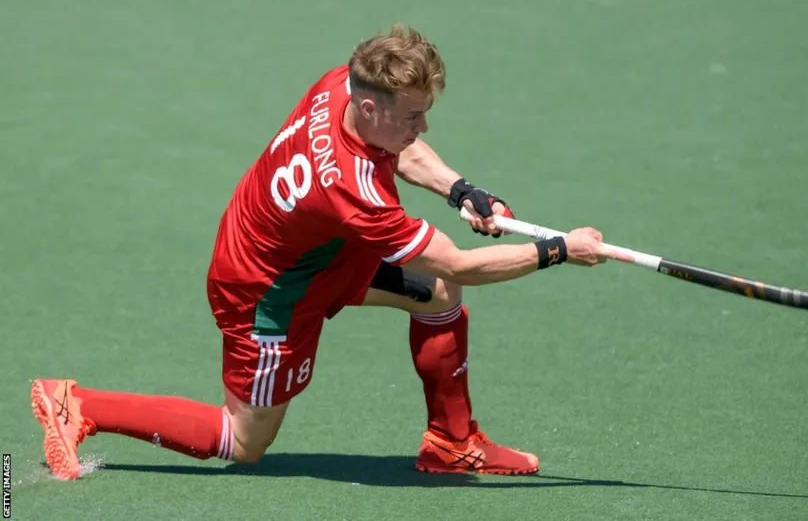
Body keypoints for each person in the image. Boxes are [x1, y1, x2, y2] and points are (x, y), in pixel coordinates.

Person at [30, 24, 621, 481]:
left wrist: (461, 190)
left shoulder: (344, 84)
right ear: (371, 108)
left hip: (316, 254)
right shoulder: (352, 189)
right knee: (243, 442)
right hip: (267, 292)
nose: (421, 128)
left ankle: (452, 441)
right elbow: (458, 260)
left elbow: (399, 150)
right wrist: (559, 250)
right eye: (413, 116)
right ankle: (76, 404)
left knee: (438, 295)